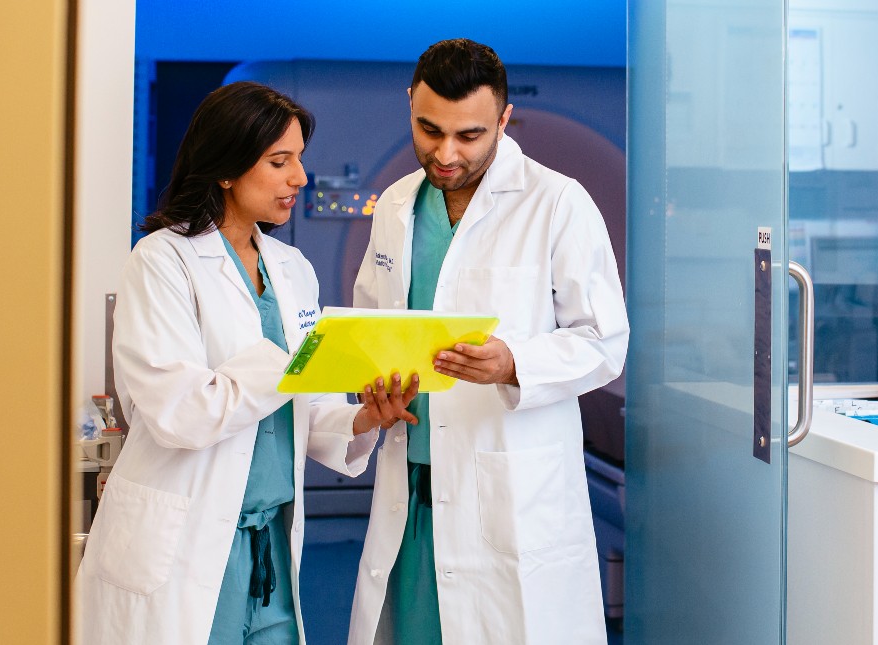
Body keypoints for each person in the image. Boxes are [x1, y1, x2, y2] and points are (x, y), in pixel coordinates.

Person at [76, 81, 418, 645]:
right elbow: (177, 412)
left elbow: (302, 408)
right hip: (185, 542)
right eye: (279, 161)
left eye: (299, 160)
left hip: (271, 547)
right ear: (227, 169)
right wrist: (290, 362)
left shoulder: (292, 268)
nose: (300, 178)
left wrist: (362, 417)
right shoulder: (163, 260)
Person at [349, 39, 630, 645]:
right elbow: (373, 321)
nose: (446, 152)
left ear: (504, 120)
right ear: (410, 107)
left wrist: (514, 363)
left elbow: (605, 341)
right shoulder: (396, 204)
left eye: (470, 136)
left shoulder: (557, 202)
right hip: (415, 483)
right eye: (429, 130)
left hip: (509, 494)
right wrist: (370, 380)